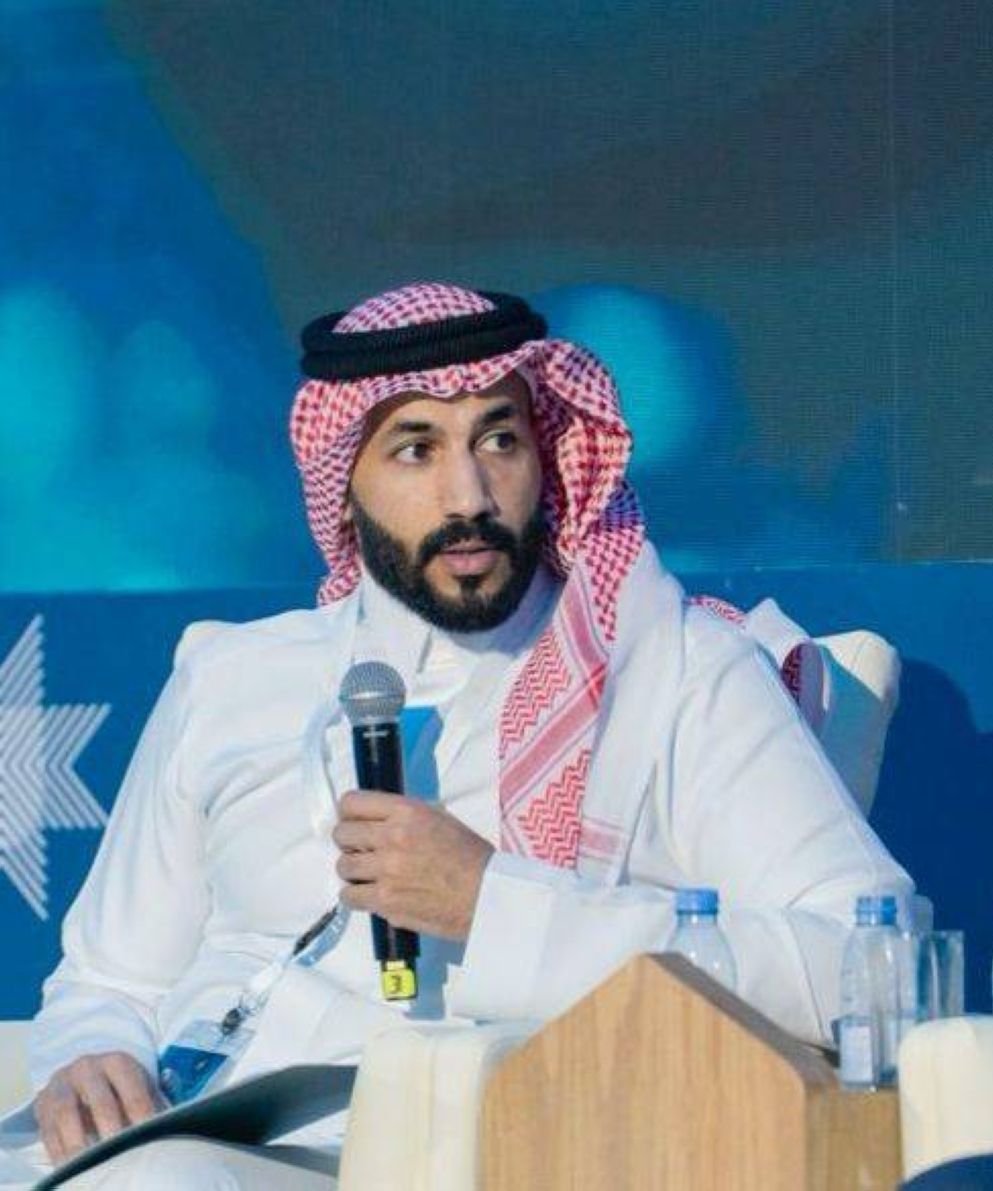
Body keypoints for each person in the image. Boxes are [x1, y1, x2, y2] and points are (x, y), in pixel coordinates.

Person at [8, 282, 912, 1187]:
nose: (469, 495)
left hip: (480, 1147)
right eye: (416, 449)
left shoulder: (673, 672)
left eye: (499, 441)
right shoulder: (233, 676)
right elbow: (106, 980)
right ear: (343, 482)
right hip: (189, 1131)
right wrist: (90, 1055)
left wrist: (492, 903)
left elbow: (872, 964)